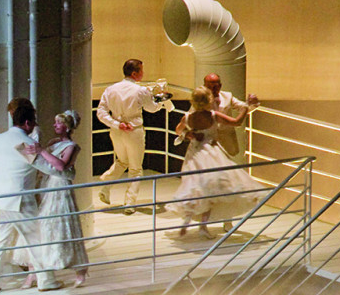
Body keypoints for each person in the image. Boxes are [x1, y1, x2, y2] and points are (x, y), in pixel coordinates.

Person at [0, 98, 59, 293]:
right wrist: (66, 170)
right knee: (36, 240)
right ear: (27, 123)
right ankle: (46, 281)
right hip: (19, 200)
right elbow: (47, 168)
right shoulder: (26, 143)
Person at [167, 86, 262, 238]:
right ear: (208, 101)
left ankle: (187, 220)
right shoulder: (213, 115)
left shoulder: (188, 117)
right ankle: (203, 226)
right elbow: (236, 122)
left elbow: (179, 131)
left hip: (194, 154)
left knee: (195, 185)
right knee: (211, 188)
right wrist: (245, 107)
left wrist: (188, 134)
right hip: (211, 153)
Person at [23, 111, 89, 288]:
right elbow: (45, 161)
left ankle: (79, 271)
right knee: (42, 226)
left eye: (58, 123)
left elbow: (61, 165)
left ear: (67, 126)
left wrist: (41, 150)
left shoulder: (71, 146)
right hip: (46, 185)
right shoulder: (53, 143)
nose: (55, 126)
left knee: (63, 226)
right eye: (55, 123)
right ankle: (35, 271)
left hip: (59, 188)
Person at [96, 59, 164, 213]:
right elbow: (152, 108)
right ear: (135, 73)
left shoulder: (110, 89)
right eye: (141, 70)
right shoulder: (140, 90)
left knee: (122, 161)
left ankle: (105, 186)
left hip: (117, 131)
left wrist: (116, 123)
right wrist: (160, 100)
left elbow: (101, 112)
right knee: (135, 169)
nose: (143, 73)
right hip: (134, 131)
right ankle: (129, 203)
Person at [204, 72, 260, 157]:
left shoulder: (227, 96)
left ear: (220, 86)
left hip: (227, 141)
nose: (212, 89)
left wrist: (253, 103)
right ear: (204, 86)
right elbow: (190, 118)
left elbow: (243, 108)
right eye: (209, 87)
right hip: (207, 142)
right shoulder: (200, 99)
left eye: (215, 87)